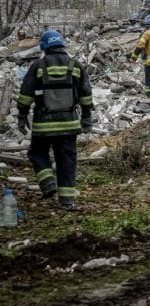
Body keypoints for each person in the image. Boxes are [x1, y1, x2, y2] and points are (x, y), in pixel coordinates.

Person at [16, 30, 93, 209]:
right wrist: (87, 118)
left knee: (37, 153)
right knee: (67, 160)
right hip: (69, 124)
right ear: (62, 44)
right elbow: (86, 95)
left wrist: (22, 116)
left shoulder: (38, 65)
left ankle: (47, 183)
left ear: (44, 46)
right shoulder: (75, 65)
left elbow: (25, 94)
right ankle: (67, 200)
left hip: (43, 125)